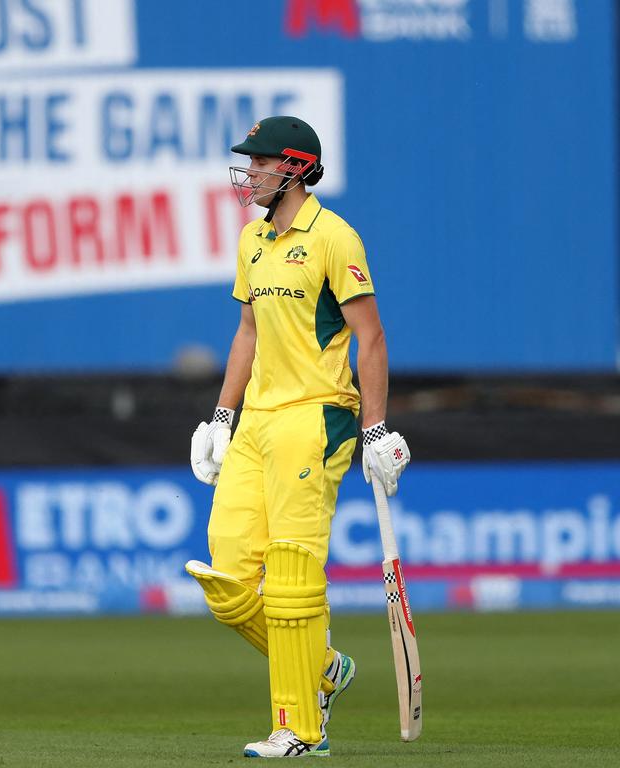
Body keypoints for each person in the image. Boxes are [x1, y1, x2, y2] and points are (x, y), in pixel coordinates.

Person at [185, 116, 410, 758]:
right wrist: (222, 418)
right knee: (227, 579)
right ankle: (324, 669)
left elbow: (371, 337)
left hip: (316, 420)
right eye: (248, 163)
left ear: (295, 167)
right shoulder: (252, 240)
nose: (249, 172)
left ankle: (299, 730)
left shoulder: (335, 237)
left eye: (260, 162)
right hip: (256, 421)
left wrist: (377, 428)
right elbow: (247, 336)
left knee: (289, 578)